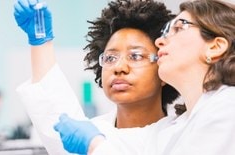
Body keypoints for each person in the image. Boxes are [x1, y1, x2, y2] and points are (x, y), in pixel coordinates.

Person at [54, 0, 235, 155]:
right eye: (110, 58)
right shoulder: (173, 128)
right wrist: (40, 40)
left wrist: (95, 146)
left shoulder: (227, 106)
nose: (159, 41)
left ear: (215, 47)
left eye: (179, 28)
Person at [14, 0, 180, 154]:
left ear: (163, 66)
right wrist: (41, 42)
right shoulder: (90, 132)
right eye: (110, 58)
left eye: (135, 56)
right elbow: (54, 113)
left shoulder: (181, 134)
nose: (119, 68)